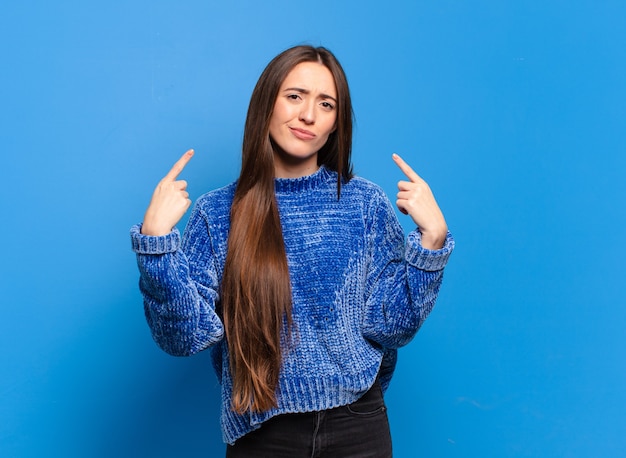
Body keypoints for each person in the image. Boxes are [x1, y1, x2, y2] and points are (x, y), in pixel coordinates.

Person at [130, 45, 454, 457]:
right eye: (295, 96)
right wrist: (157, 244)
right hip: (262, 432)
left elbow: (391, 328)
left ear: (337, 123)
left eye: (326, 104)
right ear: (267, 103)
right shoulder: (218, 213)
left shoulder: (365, 203)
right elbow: (181, 337)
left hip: (358, 427)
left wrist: (431, 244)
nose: (309, 116)